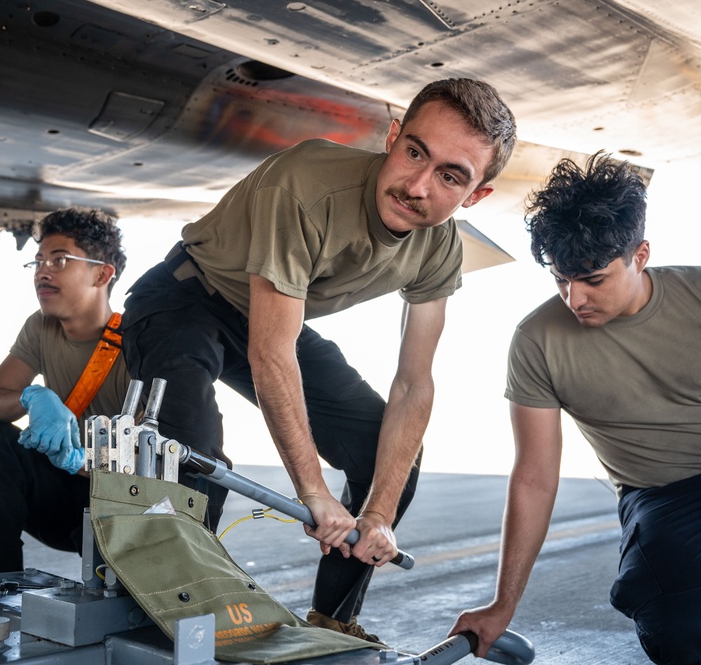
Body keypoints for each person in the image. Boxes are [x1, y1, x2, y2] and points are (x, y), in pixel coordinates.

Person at [120, 78, 517, 640]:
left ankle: (333, 619)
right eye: (414, 153)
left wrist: (376, 515)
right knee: (194, 451)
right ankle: (177, 624)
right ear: (393, 136)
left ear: (475, 196)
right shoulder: (306, 182)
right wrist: (315, 494)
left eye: (450, 176)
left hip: (270, 316)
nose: (417, 185)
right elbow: (270, 353)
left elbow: (413, 386)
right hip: (186, 296)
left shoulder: (441, 249)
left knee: (387, 445)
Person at [450, 152, 701, 665]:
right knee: (680, 611)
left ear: (639, 256)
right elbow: (534, 477)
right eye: (560, 279)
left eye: (593, 279)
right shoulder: (536, 341)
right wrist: (502, 605)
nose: (574, 298)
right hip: (662, 496)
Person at [0, 207, 128, 576]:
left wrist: (81, 461)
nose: (42, 271)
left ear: (102, 273)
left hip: (120, 508)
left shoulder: (136, 341)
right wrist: (30, 396)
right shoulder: (40, 327)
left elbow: (155, 461)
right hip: (59, 501)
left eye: (60, 259)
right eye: (38, 262)